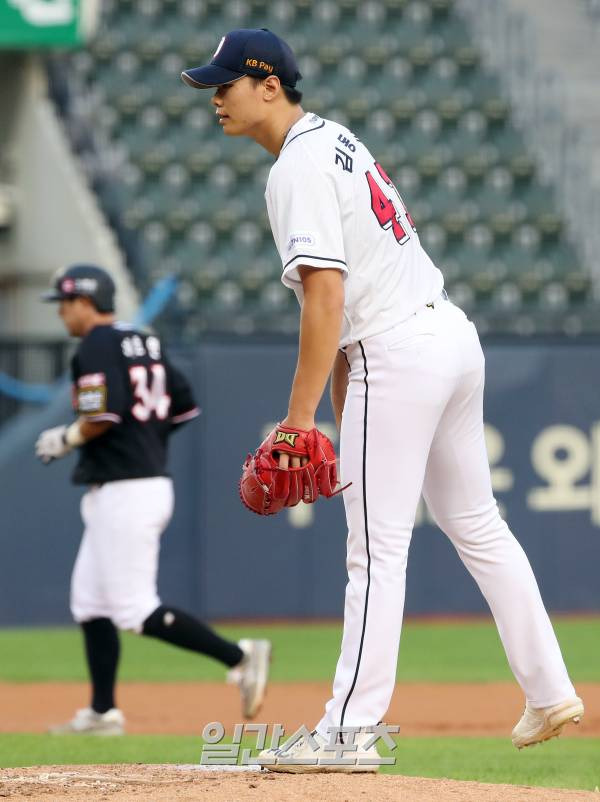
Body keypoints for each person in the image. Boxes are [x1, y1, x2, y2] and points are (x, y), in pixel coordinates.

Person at [181, 28, 584, 771]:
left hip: (394, 354)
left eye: (225, 84)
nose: (215, 99)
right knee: (479, 527)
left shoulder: (294, 169)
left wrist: (300, 421)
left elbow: (327, 301)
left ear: (269, 84)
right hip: (448, 337)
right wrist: (335, 414)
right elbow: (348, 305)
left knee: (375, 553)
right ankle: (550, 688)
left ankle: (346, 733)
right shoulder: (336, 140)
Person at [35, 264, 270, 735]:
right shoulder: (146, 339)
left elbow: (101, 415)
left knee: (134, 609)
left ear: (86, 302)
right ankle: (103, 712)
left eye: (64, 303)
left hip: (127, 488)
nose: (61, 312)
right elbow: (183, 405)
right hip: (134, 483)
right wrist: (147, 437)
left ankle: (240, 656)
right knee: (89, 602)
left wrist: (65, 437)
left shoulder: (97, 344)